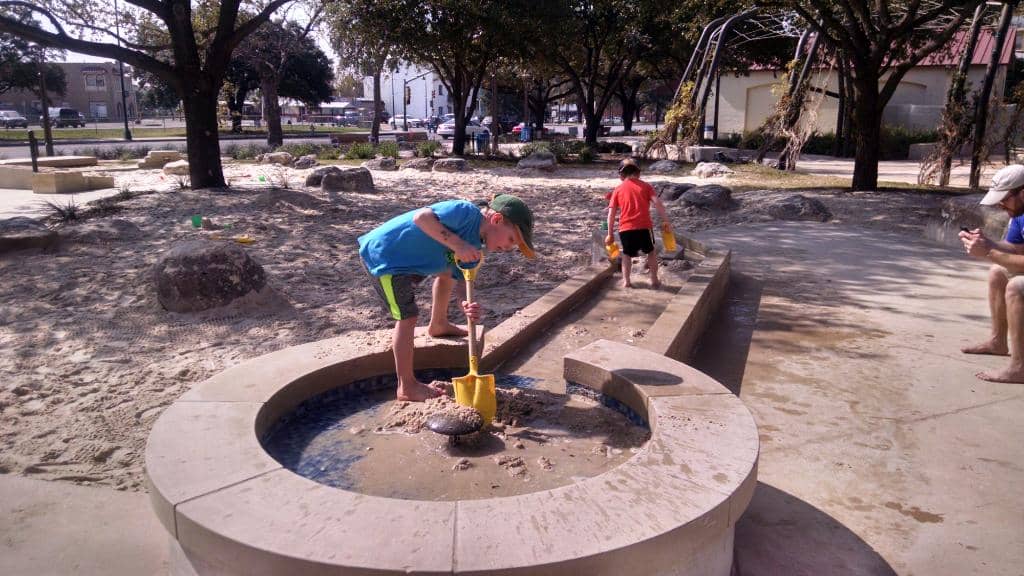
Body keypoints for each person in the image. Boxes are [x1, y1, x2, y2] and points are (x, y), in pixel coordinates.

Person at [359, 195, 536, 401]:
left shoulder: (475, 250)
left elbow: (461, 281)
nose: (507, 249)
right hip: (385, 257)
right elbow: (422, 218)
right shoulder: (465, 212)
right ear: (496, 220)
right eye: (511, 240)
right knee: (407, 317)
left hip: (410, 262)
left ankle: (439, 324)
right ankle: (406, 386)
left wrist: (465, 303)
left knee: (448, 274)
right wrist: (457, 244)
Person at [960, 164, 1024, 383]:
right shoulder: (1020, 212)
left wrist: (989, 252)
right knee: (998, 273)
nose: (1000, 204)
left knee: (1018, 287)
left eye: (1004, 198)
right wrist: (986, 242)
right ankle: (998, 343)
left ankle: (1019, 367)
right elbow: (1015, 248)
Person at [605, 158, 671, 289]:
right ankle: (654, 280)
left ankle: (626, 281)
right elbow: (657, 203)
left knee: (626, 255)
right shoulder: (646, 186)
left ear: (621, 175)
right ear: (639, 173)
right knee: (651, 253)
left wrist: (609, 234)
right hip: (644, 227)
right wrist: (666, 221)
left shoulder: (617, 190)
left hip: (625, 229)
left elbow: (611, 214)